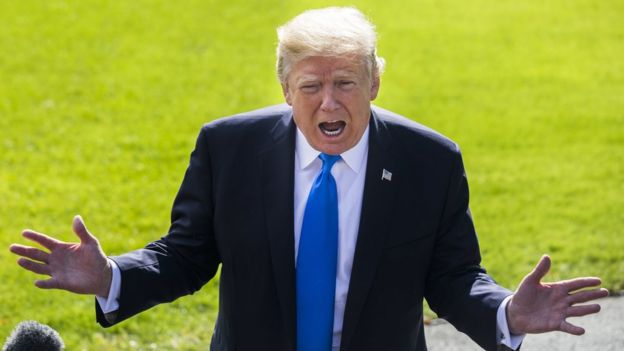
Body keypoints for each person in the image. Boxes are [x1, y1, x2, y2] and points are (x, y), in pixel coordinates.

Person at [9, 7, 608, 351]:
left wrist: (505, 313)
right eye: (311, 86)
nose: (329, 103)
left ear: (374, 83)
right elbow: (187, 256)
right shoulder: (229, 149)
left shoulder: (432, 161)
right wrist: (111, 275)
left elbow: (453, 279)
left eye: (346, 82)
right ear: (284, 88)